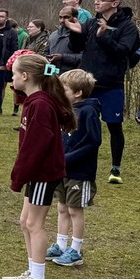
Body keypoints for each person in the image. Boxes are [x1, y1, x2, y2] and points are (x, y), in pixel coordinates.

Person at [1, 54, 76, 279]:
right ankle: (32, 272)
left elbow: (36, 146)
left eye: (14, 74)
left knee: (34, 224)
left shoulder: (41, 105)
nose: (11, 78)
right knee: (25, 221)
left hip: (43, 173)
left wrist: (19, 175)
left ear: (25, 76)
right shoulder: (33, 101)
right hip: (36, 173)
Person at [65, 0, 140, 184]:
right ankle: (72, 160)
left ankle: (115, 169)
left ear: (114, 4)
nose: (96, 2)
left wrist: (104, 36)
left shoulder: (128, 27)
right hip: (87, 84)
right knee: (78, 122)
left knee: (114, 126)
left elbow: (122, 51)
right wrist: (75, 32)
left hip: (111, 84)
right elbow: (76, 47)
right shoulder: (92, 22)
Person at [48, 69, 101, 267]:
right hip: (63, 170)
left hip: (80, 172)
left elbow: (92, 141)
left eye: (64, 90)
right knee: (62, 207)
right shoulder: (66, 111)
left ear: (78, 93)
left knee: (74, 210)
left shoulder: (88, 112)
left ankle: (76, 250)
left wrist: (68, 158)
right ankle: (61, 245)